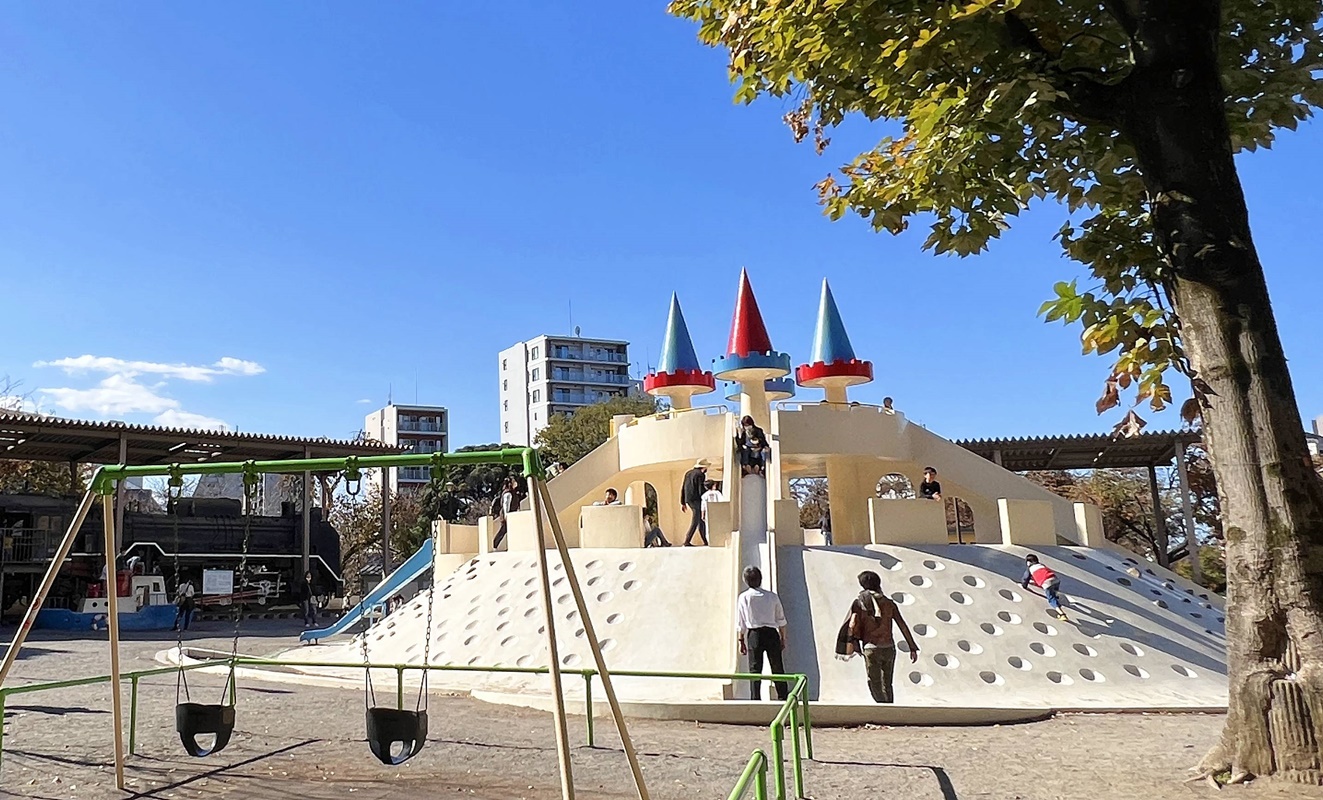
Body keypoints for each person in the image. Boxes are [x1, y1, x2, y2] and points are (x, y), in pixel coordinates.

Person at [840, 570, 919, 704]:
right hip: (889, 647)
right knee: (887, 684)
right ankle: (889, 707)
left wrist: (851, 642)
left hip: (871, 648)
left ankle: (882, 709)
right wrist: (912, 646)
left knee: (874, 683)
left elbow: (852, 624)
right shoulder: (889, 604)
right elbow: (902, 625)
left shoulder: (860, 603)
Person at [735, 566, 789, 701]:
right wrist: (783, 638)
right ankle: (783, 697)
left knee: (754, 669)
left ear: (746, 580)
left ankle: (755, 699)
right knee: (777, 667)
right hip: (772, 633)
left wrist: (740, 640)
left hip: (754, 634)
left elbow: (740, 622)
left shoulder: (744, 597)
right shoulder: (772, 596)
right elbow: (781, 620)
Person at [1022, 554, 1069, 621]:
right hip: (1055, 579)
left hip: (1047, 583)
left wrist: (1024, 586)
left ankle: (1062, 614)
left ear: (1028, 562)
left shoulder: (1030, 568)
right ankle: (1055, 595)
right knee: (1053, 590)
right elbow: (1041, 575)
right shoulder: (1041, 565)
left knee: (1051, 599)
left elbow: (1025, 579)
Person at [680, 459, 710, 546]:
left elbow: (683, 487)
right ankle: (687, 540)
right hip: (696, 499)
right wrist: (705, 499)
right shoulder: (700, 475)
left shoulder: (688, 473)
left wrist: (682, 502)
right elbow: (701, 489)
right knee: (696, 520)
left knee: (700, 520)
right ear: (704, 467)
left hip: (688, 499)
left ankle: (705, 541)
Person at [492, 478, 517, 550]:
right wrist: (507, 515)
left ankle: (508, 546)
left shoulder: (510, 492)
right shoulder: (508, 493)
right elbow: (506, 505)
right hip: (508, 516)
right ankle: (494, 545)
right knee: (503, 531)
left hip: (510, 515)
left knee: (507, 531)